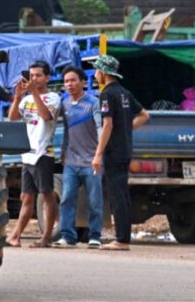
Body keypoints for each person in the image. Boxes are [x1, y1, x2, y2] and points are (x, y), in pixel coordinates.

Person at [92, 55, 150, 251]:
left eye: (97, 70)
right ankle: (123, 237)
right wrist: (125, 128)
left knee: (117, 197)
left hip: (113, 151)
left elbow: (107, 124)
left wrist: (98, 154)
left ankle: (122, 240)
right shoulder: (125, 93)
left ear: (104, 73)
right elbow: (144, 115)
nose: (95, 74)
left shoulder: (106, 94)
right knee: (122, 195)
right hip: (125, 149)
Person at [6, 60, 61, 248]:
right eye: (31, 76)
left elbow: (46, 117)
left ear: (47, 77)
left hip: (43, 153)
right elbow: (12, 118)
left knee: (47, 195)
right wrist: (17, 97)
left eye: (38, 75)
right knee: (27, 197)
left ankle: (46, 236)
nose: (34, 79)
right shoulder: (26, 99)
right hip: (27, 154)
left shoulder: (53, 97)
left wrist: (34, 92)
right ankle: (15, 236)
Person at [53, 66, 104, 249]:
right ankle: (67, 236)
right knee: (67, 198)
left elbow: (101, 128)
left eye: (73, 80)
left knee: (94, 200)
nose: (70, 84)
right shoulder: (63, 103)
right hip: (71, 162)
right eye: (66, 81)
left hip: (92, 161)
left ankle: (95, 235)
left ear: (83, 82)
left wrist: (98, 155)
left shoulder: (93, 102)